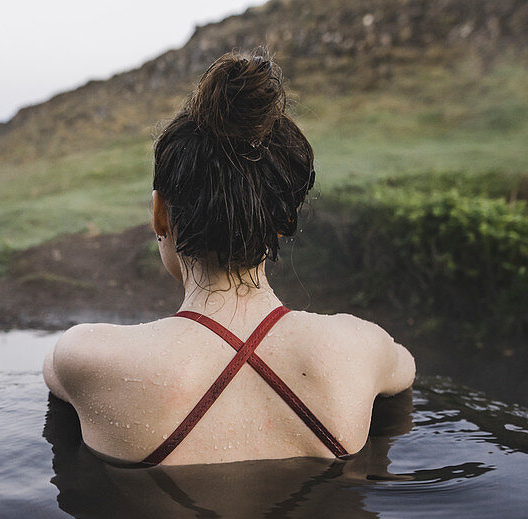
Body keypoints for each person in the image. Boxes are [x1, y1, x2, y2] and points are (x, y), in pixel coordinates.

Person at [43, 48, 415, 466]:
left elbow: (52, 377)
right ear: (284, 219)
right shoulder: (360, 347)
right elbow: (406, 370)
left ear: (159, 213)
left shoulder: (86, 357)